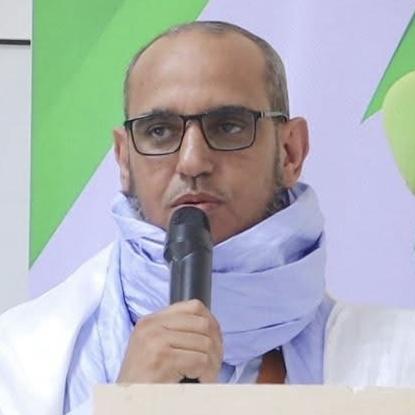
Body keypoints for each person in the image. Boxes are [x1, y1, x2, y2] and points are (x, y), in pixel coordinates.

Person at [1, 20, 415, 415]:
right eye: (160, 130)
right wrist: (123, 405)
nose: (192, 161)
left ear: (291, 151)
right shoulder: (20, 356)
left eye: (228, 126)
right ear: (124, 159)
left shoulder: (402, 359)